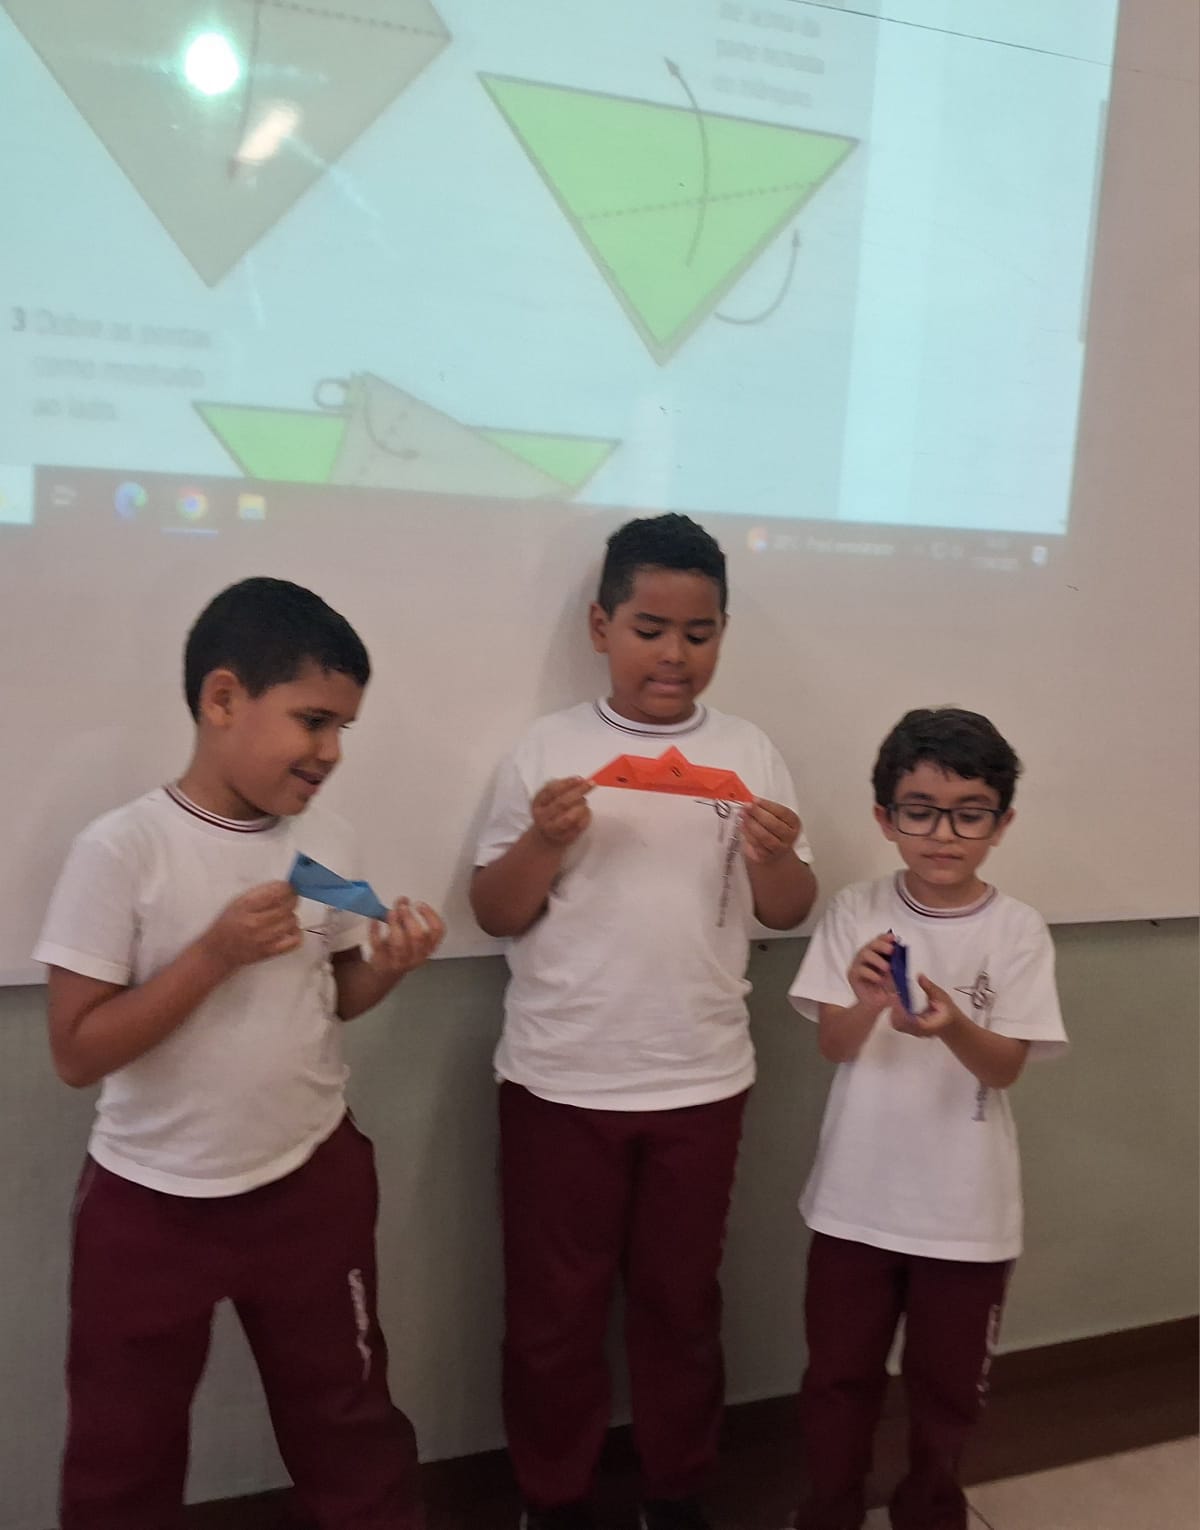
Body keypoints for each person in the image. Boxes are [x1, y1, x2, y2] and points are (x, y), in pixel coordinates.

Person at [35, 576, 444, 1530]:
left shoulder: (325, 843)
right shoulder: (122, 849)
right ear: (223, 699)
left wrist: (388, 967)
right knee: (122, 1453)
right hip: (150, 1202)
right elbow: (77, 1051)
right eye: (313, 721)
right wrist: (212, 956)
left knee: (349, 1425)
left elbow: (334, 993)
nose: (332, 753)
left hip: (311, 1180)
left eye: (344, 728)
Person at [470, 513, 817, 1530]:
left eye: (698, 634)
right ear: (601, 627)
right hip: (558, 1078)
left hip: (701, 1078)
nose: (674, 654)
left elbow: (789, 909)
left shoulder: (750, 751)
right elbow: (494, 910)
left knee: (681, 1305)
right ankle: (554, 1497)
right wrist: (542, 841)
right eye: (650, 629)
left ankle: (678, 1490)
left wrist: (773, 856)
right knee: (552, 1316)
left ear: (722, 637)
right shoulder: (549, 749)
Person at [787, 707, 1067, 1530]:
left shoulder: (1017, 929)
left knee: (947, 1391)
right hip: (853, 1202)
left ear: (1001, 824)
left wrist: (952, 1028)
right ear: (886, 818)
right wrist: (867, 999)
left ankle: (931, 1512)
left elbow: (1005, 1067)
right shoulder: (855, 910)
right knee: (837, 1378)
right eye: (920, 811)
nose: (944, 834)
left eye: (969, 814)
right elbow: (834, 1045)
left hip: (965, 1214)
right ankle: (830, 1509)